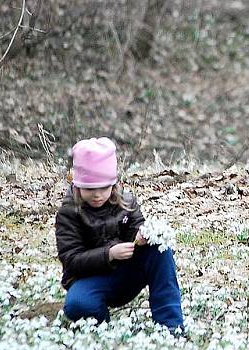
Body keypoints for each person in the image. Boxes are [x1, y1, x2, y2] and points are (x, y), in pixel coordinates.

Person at [54, 137, 184, 331]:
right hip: (89, 280)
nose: (97, 194)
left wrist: (141, 236)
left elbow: (137, 227)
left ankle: (170, 326)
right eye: (89, 189)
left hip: (127, 273)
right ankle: (103, 329)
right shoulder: (68, 213)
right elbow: (71, 260)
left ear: (114, 184)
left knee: (160, 247)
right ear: (77, 185)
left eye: (103, 187)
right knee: (77, 306)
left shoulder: (127, 201)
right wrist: (109, 254)